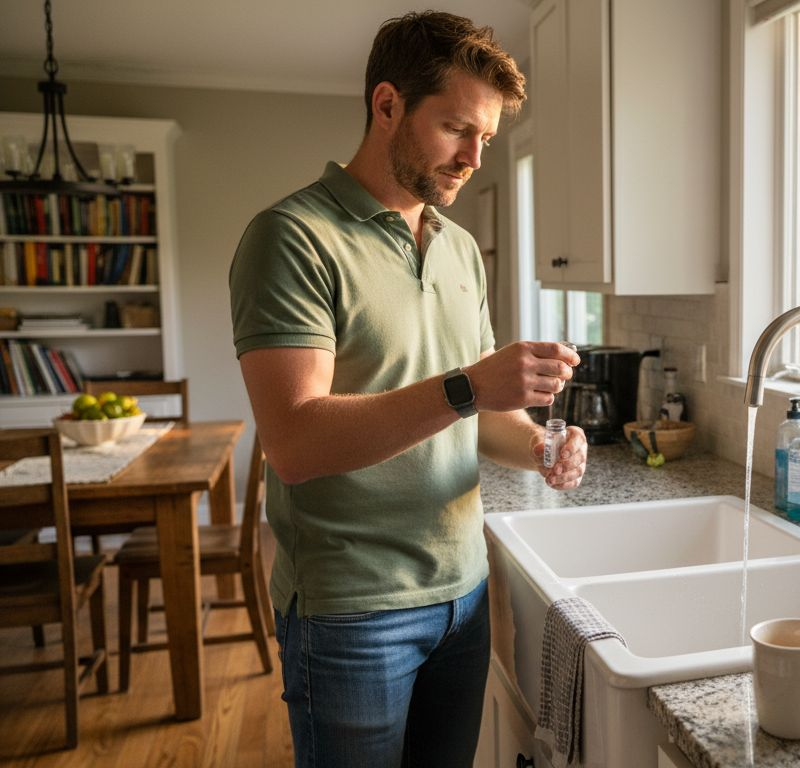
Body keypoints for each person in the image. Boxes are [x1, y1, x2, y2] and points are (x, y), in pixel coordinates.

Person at [228, 12, 586, 768]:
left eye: (486, 138)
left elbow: (473, 416)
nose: (473, 158)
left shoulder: (459, 249)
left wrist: (539, 445)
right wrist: (470, 385)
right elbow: (294, 443)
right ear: (387, 105)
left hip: (464, 591)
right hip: (353, 611)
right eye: (457, 129)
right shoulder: (293, 237)